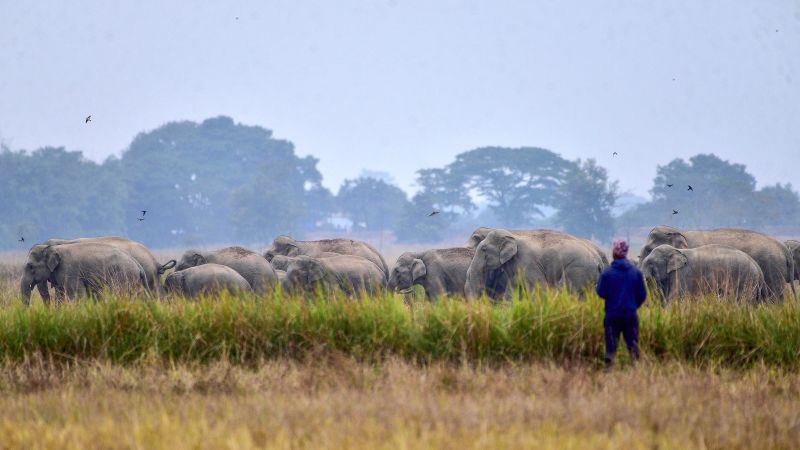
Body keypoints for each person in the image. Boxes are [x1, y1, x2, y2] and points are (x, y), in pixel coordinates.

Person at [595, 239, 647, 368]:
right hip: (630, 314)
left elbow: (601, 292)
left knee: (611, 346)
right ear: (626, 252)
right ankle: (636, 370)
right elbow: (642, 295)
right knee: (633, 346)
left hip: (612, 315)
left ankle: (609, 370)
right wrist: (634, 305)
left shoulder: (607, 273)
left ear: (614, 252)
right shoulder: (636, 273)